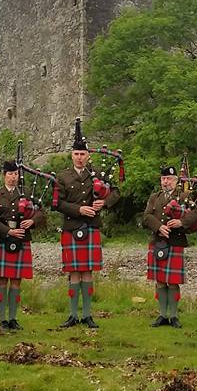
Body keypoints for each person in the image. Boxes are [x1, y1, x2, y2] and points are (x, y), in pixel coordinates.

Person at [54, 119, 120, 328]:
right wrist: (79, 209)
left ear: (88, 155)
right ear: (71, 155)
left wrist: (104, 202)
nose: (80, 158)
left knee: (88, 272)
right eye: (76, 154)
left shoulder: (97, 175)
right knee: (74, 272)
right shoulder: (62, 177)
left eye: (83, 154)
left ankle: (88, 314)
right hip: (72, 227)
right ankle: (73, 315)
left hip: (91, 226)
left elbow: (117, 192)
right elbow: (56, 203)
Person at [142, 166, 197, 328]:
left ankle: (174, 316)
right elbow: (146, 217)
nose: (165, 182)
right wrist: (158, 227)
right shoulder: (155, 197)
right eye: (163, 179)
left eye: (169, 179)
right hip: (157, 241)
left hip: (175, 242)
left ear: (176, 181)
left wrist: (181, 222)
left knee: (173, 282)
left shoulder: (183, 196)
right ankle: (162, 315)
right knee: (160, 281)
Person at [0, 161, 45, 331]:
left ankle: (13, 318)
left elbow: (41, 212)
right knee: (2, 281)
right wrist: (8, 232)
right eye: (10, 174)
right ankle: (2, 319)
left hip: (22, 240)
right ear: (4, 175)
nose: (13, 177)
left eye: (15, 174)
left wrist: (32, 220)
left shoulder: (27, 193)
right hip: (2, 239)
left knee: (16, 282)